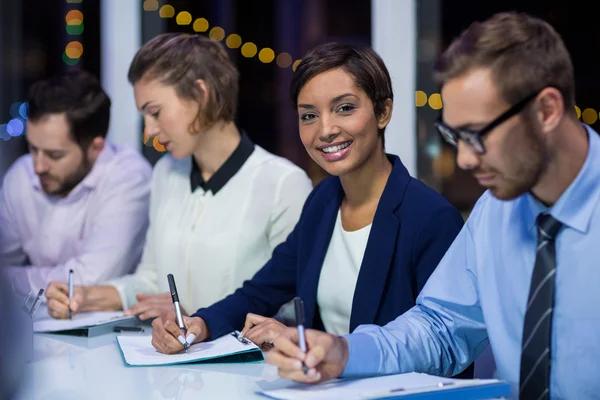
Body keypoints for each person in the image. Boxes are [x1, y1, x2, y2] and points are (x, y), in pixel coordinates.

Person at [266, 11, 600, 399]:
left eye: (476, 135)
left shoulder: (445, 214)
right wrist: (343, 351)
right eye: (454, 136)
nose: (464, 161)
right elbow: (440, 328)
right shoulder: (495, 212)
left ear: (545, 111)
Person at [150, 41, 468, 377]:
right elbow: (262, 291)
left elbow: (445, 350)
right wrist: (200, 323)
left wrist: (309, 344)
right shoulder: (323, 202)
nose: (325, 130)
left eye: (344, 108)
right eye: (309, 116)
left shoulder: (430, 218)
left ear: (383, 112)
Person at [44, 33, 312, 321]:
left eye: (155, 112)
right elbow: (151, 282)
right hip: (169, 361)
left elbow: (292, 309)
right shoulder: (165, 173)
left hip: (246, 365)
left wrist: (197, 318)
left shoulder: (284, 184)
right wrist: (85, 296)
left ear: (200, 94)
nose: (149, 131)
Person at [0, 70, 151, 295]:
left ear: (95, 148)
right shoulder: (21, 174)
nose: (38, 166)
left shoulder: (129, 177)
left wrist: (12, 281)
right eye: (32, 149)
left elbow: (88, 279)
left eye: (55, 155)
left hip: (107, 326)